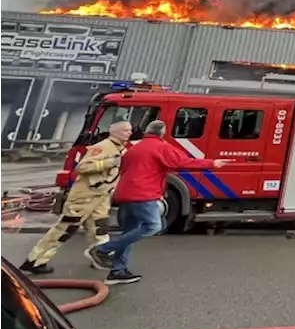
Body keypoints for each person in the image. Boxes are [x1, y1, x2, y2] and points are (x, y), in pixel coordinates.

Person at [87, 120, 227, 285]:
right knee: (153, 226)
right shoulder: (160, 147)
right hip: (143, 195)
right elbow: (183, 162)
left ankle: (117, 271)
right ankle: (102, 250)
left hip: (125, 195)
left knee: (129, 233)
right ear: (162, 133)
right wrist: (213, 163)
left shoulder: (134, 147)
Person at [19, 121, 133, 276]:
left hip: (100, 197)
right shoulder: (103, 147)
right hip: (84, 197)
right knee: (64, 229)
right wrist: (109, 162)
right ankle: (34, 261)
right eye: (126, 130)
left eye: (130, 130)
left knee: (99, 228)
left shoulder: (120, 149)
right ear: (116, 132)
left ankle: (100, 256)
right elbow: (82, 167)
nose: (130, 133)